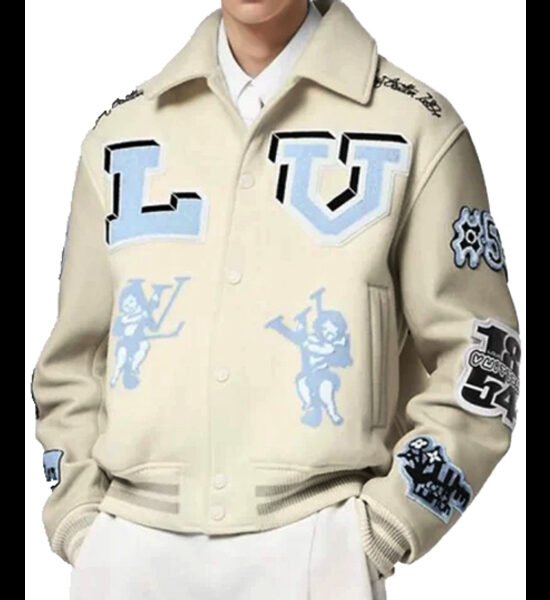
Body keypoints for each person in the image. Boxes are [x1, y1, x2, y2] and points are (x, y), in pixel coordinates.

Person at [32, 1, 521, 598]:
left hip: (318, 549)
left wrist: (390, 525)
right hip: (126, 553)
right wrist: (80, 521)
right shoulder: (121, 135)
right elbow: (71, 364)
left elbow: (483, 353)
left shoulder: (415, 125)